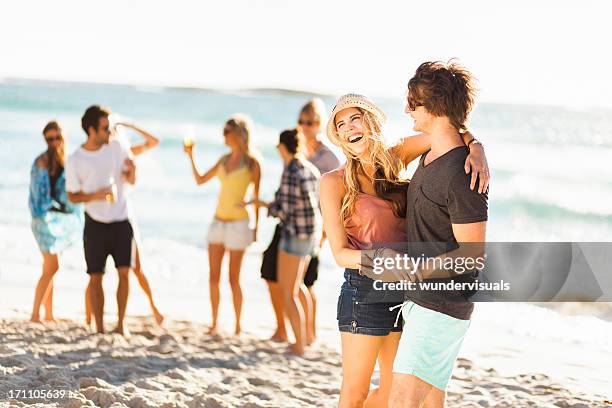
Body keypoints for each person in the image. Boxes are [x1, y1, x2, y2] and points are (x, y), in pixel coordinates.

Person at [320, 93, 489, 407]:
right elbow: (340, 253)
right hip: (364, 290)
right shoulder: (334, 182)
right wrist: (380, 259)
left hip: (408, 292)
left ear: (369, 121)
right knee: (354, 394)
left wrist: (477, 147)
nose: (348, 128)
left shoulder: (396, 154)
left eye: (354, 118)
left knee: (390, 392)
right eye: (340, 125)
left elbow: (445, 132)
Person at [261, 99, 340, 344]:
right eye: (301, 122)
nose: (305, 126)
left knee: (302, 285)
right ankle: (286, 330)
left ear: (319, 124)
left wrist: (327, 234)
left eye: (310, 122)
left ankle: (307, 336)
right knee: (274, 274)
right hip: (297, 227)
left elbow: (335, 201)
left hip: (309, 230)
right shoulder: (298, 156)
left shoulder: (327, 159)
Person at [184, 115, 261, 335]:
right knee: (213, 277)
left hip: (239, 225)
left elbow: (256, 198)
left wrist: (256, 229)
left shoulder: (253, 163)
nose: (223, 135)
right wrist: (191, 156)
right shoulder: (223, 160)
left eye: (226, 131)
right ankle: (215, 322)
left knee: (233, 278)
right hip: (218, 222)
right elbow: (200, 180)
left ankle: (238, 325)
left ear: (238, 134)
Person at [84, 121, 164, 326]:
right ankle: (89, 317)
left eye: (112, 130)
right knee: (96, 272)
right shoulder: (102, 155)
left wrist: (129, 124)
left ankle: (153, 307)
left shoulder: (125, 152)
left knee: (134, 267)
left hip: (123, 217)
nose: (110, 134)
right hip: (104, 219)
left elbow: (153, 141)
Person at [65, 105, 137, 336]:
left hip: (121, 220)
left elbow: (131, 179)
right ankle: (98, 328)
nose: (110, 132)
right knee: (96, 277)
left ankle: (121, 324)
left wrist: (132, 172)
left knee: (125, 273)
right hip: (95, 223)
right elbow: (72, 196)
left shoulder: (116, 147)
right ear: (91, 130)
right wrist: (96, 195)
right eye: (106, 128)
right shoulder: (76, 159)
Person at [251, 128, 322, 355]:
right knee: (299, 287)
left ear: (283, 147)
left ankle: (299, 344)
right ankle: (308, 337)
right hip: (311, 236)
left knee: (288, 292)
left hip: (294, 236)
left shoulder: (291, 171)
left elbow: (285, 210)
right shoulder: (310, 169)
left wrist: (265, 206)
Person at [29, 121, 83, 323]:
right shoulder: (41, 163)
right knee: (53, 267)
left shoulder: (64, 161)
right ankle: (35, 315)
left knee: (48, 268)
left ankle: (48, 314)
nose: (53, 142)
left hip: (55, 222)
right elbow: (39, 200)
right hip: (43, 221)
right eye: (49, 139)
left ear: (63, 137)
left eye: (57, 137)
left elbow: (66, 195)